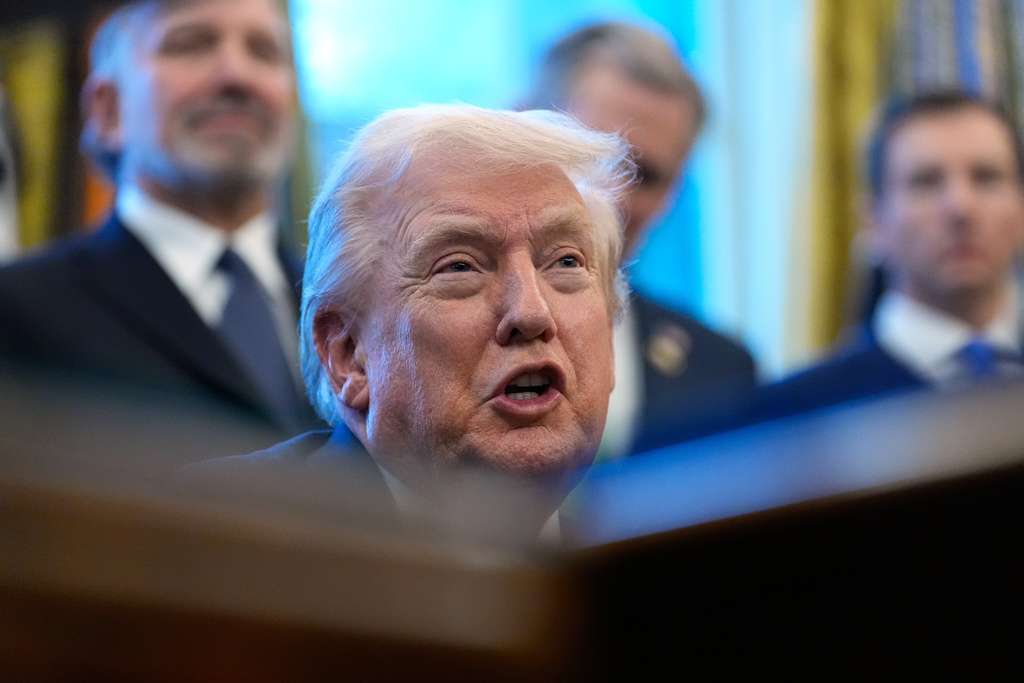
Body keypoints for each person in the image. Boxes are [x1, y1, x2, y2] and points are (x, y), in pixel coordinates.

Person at [194, 104, 632, 536]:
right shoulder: (214, 534)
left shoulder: (658, 574)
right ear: (348, 355)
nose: (531, 312)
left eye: (566, 262)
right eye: (460, 267)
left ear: (611, 343)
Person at [0, 0, 321, 443]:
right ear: (108, 109)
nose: (237, 76)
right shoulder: (18, 313)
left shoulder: (353, 314)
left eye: (264, 52)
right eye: (190, 45)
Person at [690, 90, 1024, 436]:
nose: (960, 207)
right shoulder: (792, 419)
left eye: (987, 178)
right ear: (875, 223)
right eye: (926, 182)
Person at [524, 21, 757, 458]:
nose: (610, 199)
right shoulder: (414, 344)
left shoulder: (722, 372)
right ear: (518, 126)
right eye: (592, 156)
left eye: (645, 176)